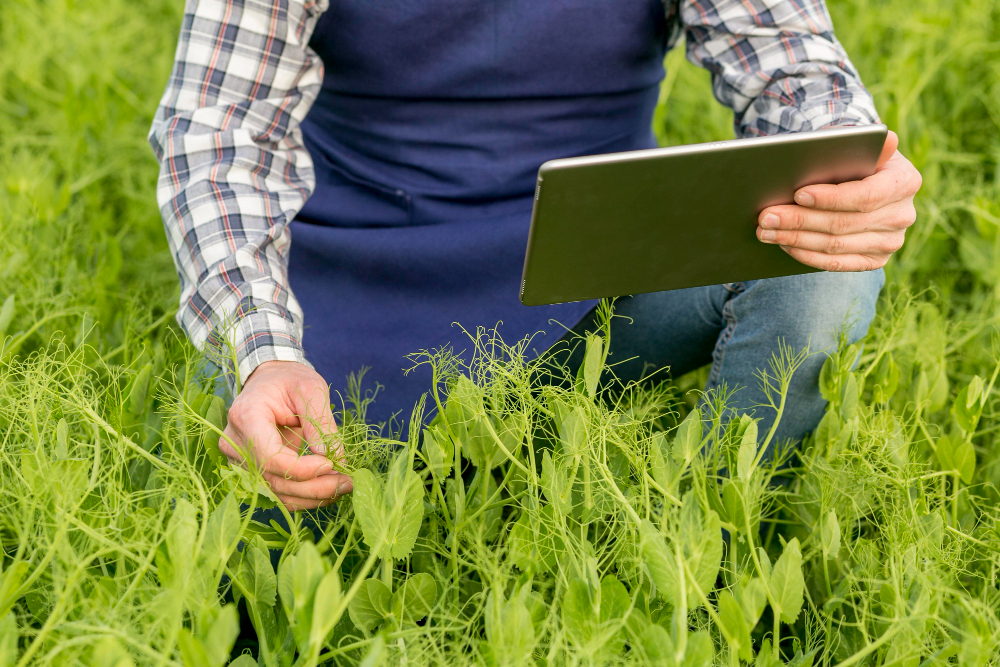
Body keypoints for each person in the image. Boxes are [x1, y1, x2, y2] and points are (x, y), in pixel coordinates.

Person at [149, 0, 920, 511]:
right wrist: (264, 353)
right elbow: (217, 136)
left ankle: (706, 548)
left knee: (829, 259)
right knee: (276, 516)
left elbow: (798, 73)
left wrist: (852, 170)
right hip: (345, 302)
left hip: (601, 286)